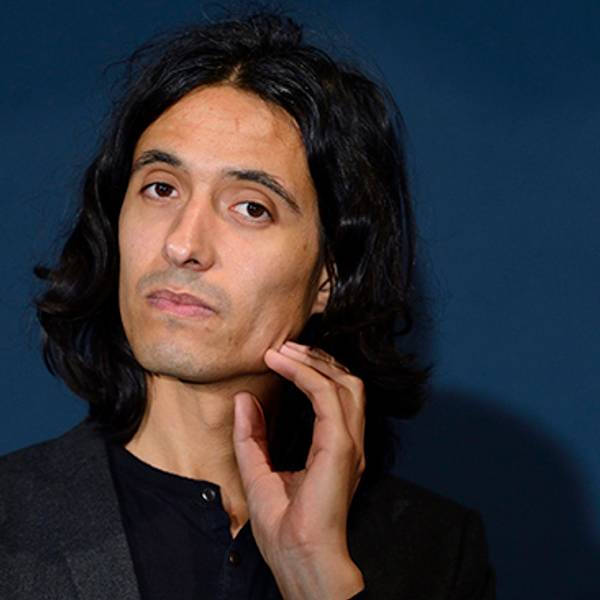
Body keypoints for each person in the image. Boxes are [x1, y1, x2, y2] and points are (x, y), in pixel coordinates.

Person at [0, 11, 495, 600]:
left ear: (329, 276)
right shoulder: (12, 519)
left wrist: (320, 579)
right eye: (161, 188)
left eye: (251, 208)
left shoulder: (434, 553)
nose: (183, 244)